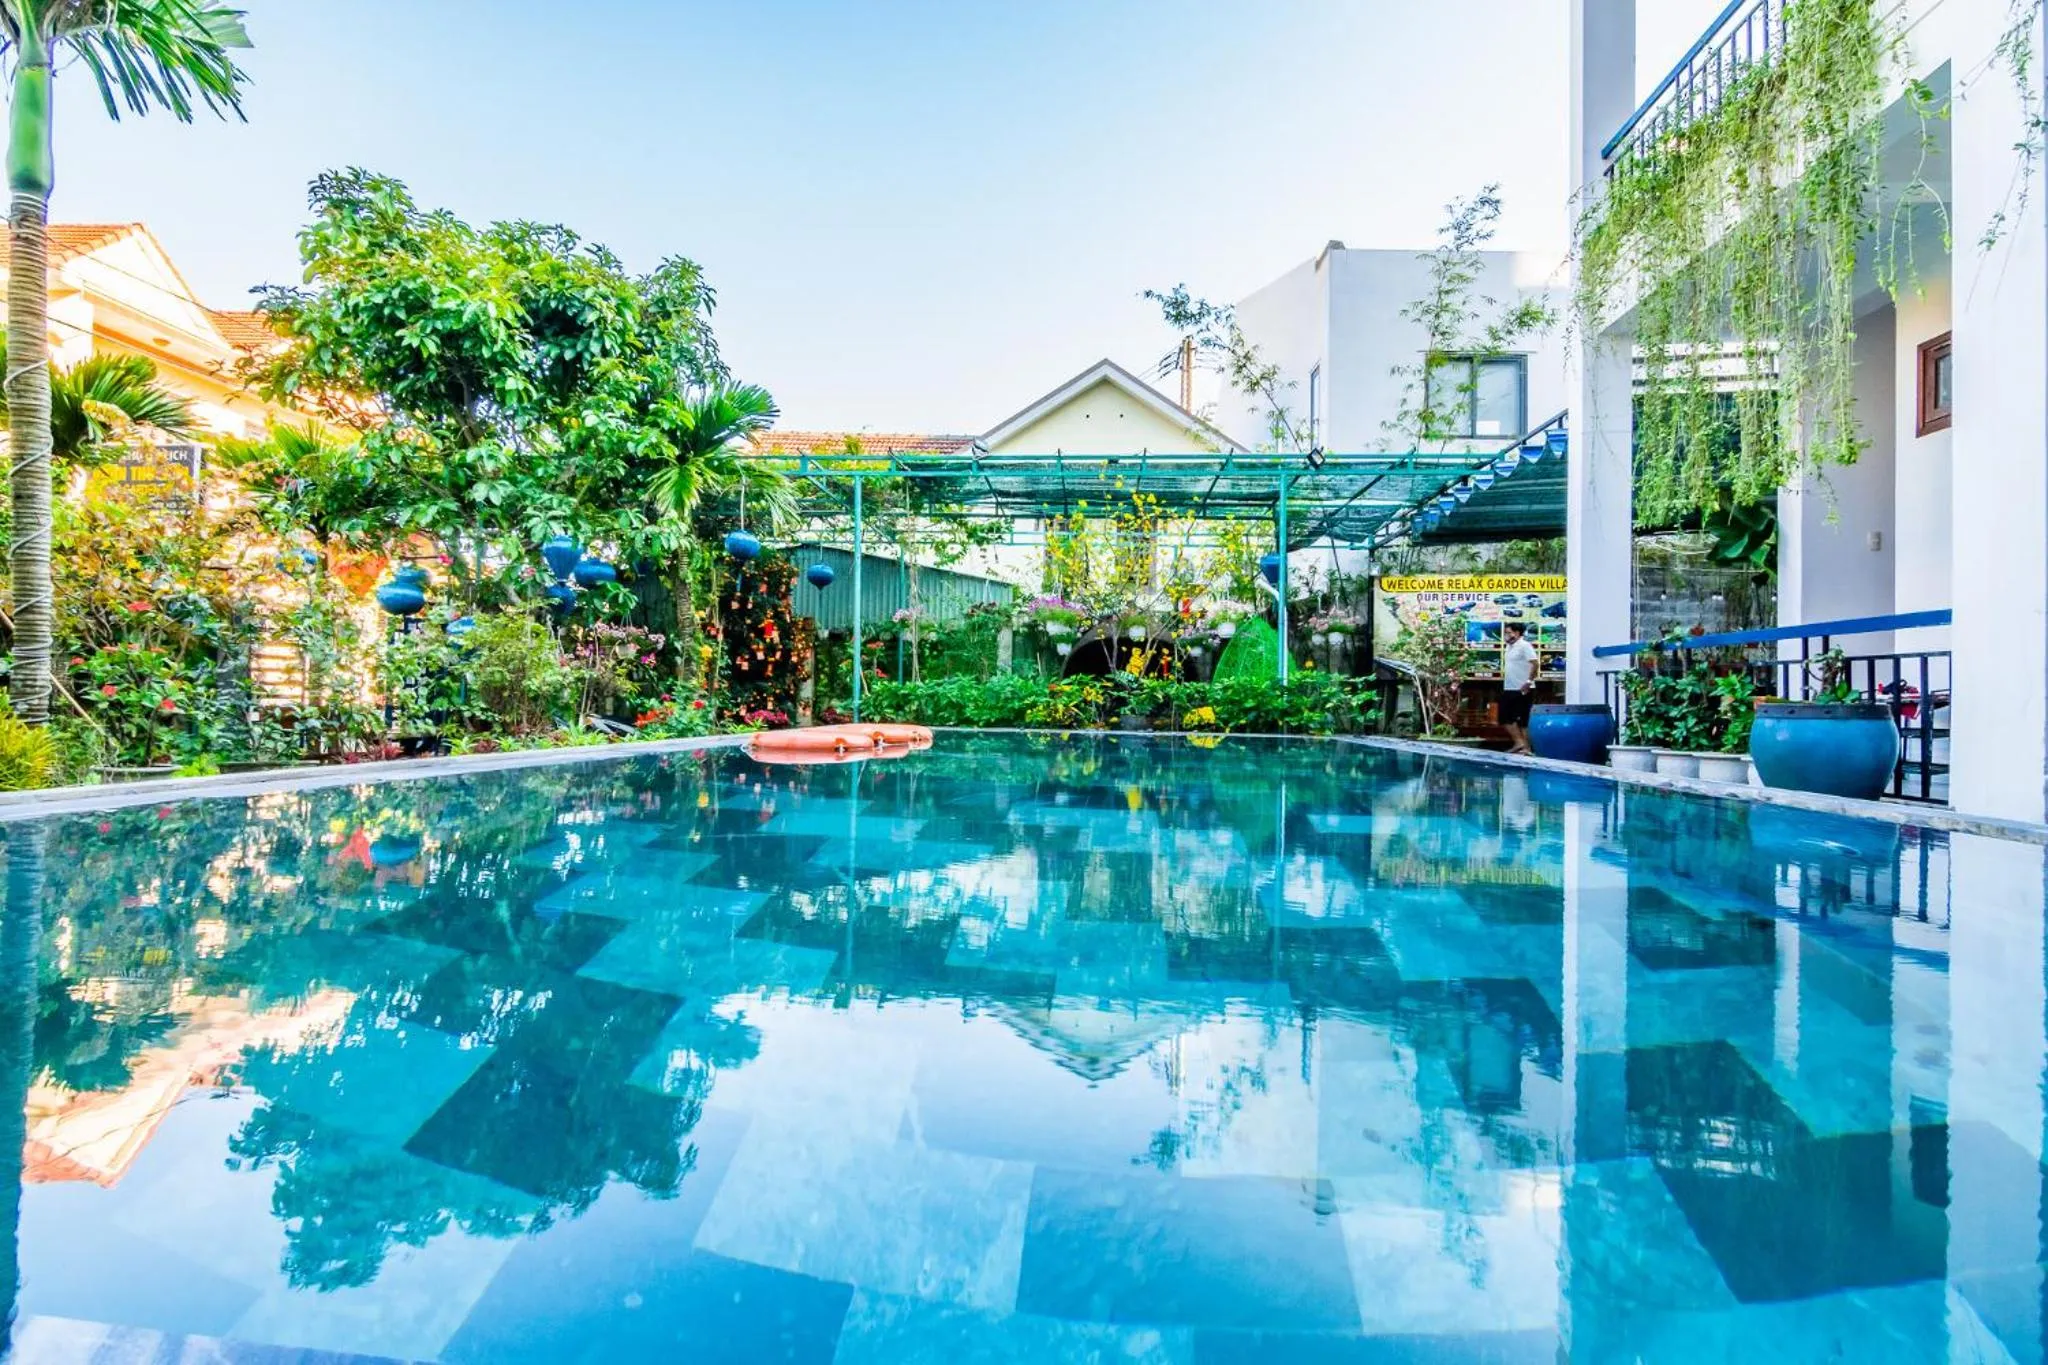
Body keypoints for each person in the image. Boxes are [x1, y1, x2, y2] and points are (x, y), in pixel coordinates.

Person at [1499, 621, 1538, 755]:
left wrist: (1528, 682)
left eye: (1509, 632)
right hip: (1509, 687)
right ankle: (1521, 744)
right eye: (1505, 632)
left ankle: (1525, 747)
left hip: (1522, 688)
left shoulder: (1525, 646)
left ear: (1517, 633)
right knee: (1505, 717)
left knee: (1522, 719)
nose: (1506, 635)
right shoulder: (1509, 647)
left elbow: (1535, 664)